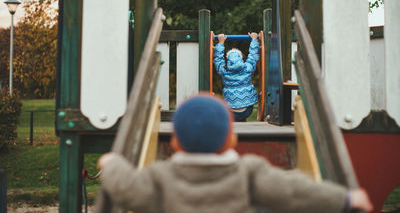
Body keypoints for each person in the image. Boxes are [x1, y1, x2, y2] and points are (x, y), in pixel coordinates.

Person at [98, 94, 373, 213]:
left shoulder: (159, 177)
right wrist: (345, 198)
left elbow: (127, 187)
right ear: (231, 139)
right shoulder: (248, 172)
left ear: (176, 143)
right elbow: (294, 191)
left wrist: (111, 163)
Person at [213, 31, 259, 122]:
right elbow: (253, 56)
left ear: (227, 60)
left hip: (230, 110)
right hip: (247, 109)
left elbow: (218, 59)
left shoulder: (224, 71)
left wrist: (221, 43)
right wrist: (254, 40)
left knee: (233, 116)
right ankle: (243, 121)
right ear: (242, 58)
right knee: (243, 111)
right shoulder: (247, 68)